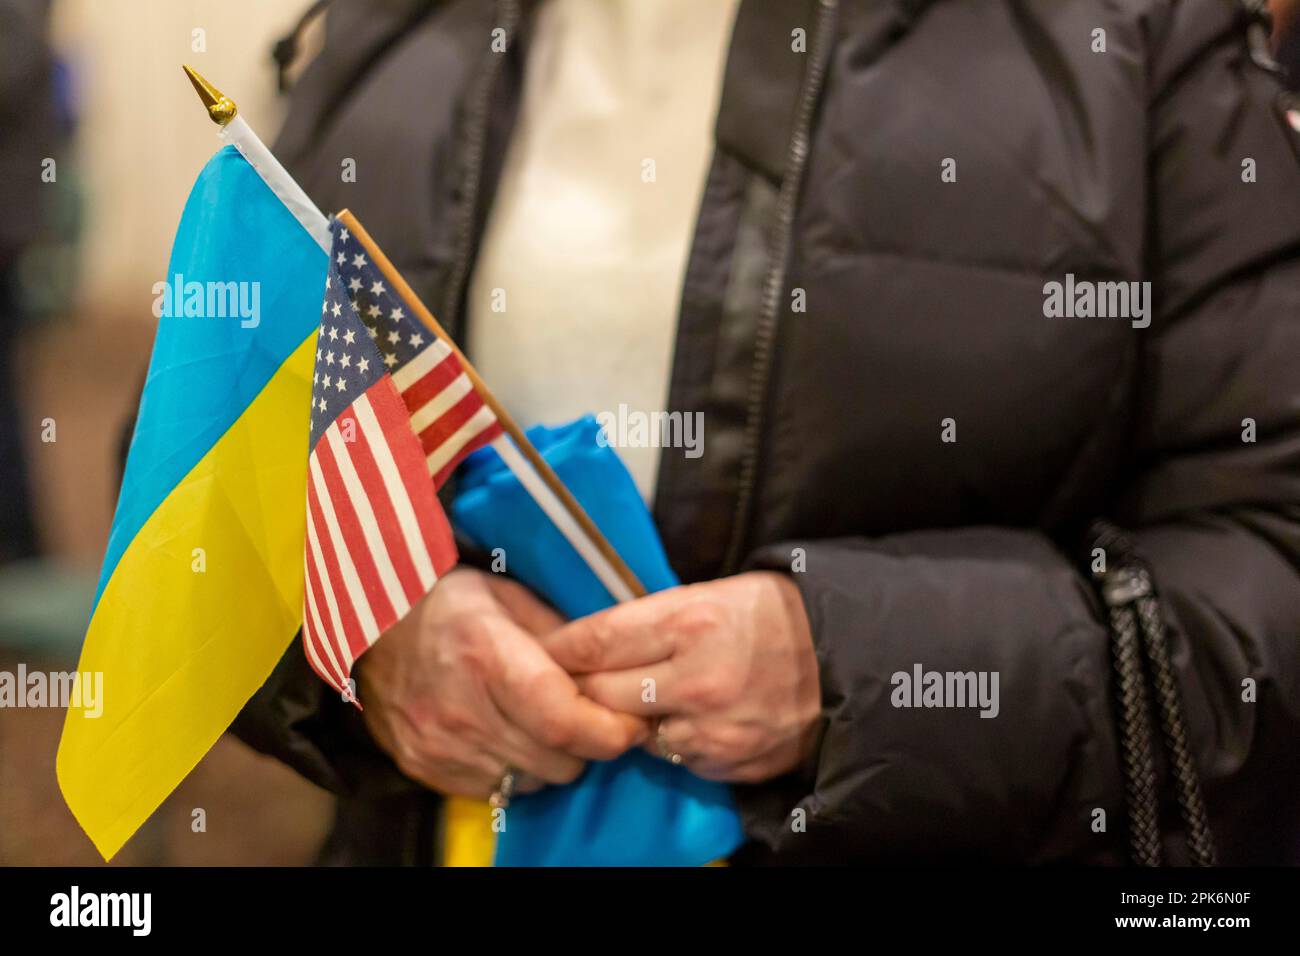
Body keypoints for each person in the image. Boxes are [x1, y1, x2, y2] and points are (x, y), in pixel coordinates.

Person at [233, 0, 1300, 865]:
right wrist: (369, 641)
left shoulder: (1135, 35)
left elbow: (1267, 567)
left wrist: (859, 676)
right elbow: (199, 482)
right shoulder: (384, 27)